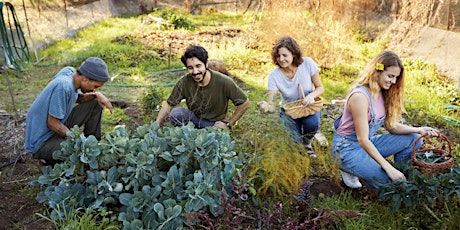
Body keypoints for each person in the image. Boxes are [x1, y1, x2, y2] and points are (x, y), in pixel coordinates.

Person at [330, 50, 438, 189]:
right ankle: (351, 168)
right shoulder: (360, 97)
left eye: (396, 78)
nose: (393, 81)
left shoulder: (382, 93)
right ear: (377, 71)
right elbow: (362, 139)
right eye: (390, 76)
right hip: (346, 150)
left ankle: (398, 172)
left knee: (414, 138)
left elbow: (391, 126)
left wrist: (418, 130)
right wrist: (388, 167)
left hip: (365, 146)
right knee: (390, 183)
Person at [25, 57, 113, 165]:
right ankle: (47, 160)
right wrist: (78, 140)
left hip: (56, 126)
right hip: (42, 142)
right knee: (79, 152)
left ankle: (94, 144)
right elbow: (52, 123)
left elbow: (73, 97)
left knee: (95, 103)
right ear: (85, 79)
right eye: (95, 86)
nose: (95, 89)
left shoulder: (70, 72)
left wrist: (96, 95)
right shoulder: (63, 86)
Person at [155, 45, 250, 129]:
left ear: (206, 64)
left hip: (213, 125)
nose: (195, 71)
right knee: (176, 113)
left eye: (198, 66)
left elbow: (244, 103)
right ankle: (190, 136)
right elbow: (169, 104)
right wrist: (156, 126)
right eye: (190, 68)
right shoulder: (184, 82)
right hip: (193, 121)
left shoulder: (223, 81)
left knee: (213, 139)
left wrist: (228, 124)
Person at [263, 36, 324, 158]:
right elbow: (271, 102)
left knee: (312, 123)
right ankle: (298, 147)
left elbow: (320, 87)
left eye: (285, 55)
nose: (281, 59)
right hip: (289, 110)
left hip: (309, 106)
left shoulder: (307, 63)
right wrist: (266, 106)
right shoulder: (274, 75)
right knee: (294, 144)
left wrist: (311, 96)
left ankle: (307, 143)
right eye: (278, 56)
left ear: (294, 54)